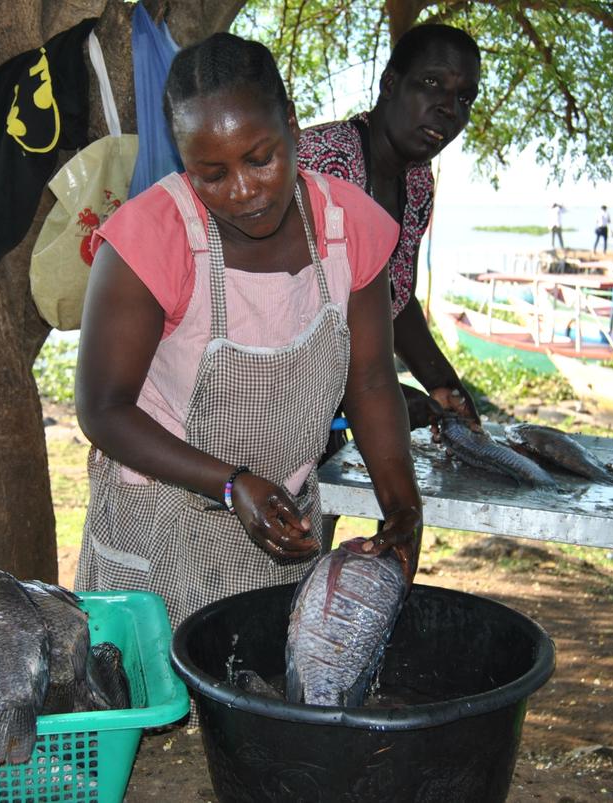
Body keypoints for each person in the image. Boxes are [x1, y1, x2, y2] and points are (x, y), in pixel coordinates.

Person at [73, 33, 423, 632]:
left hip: (282, 526)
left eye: (261, 158)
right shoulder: (150, 240)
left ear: (290, 124)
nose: (243, 190)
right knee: (153, 696)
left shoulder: (348, 229)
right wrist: (232, 486)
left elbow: (367, 380)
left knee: (257, 696)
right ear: (184, 161)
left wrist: (402, 505)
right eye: (211, 174)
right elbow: (103, 410)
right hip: (158, 530)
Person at [297, 24, 483, 434]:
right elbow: (279, 314)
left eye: (465, 98)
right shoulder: (321, 166)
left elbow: (393, 302)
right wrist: (380, 393)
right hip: (252, 407)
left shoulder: (416, 183)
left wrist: (442, 381)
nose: (450, 108)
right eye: (433, 83)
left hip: (320, 421)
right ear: (390, 83)